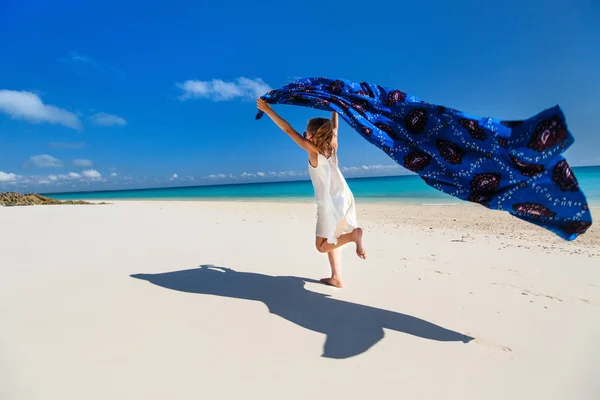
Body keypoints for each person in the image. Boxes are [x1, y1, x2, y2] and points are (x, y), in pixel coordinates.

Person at [256, 98, 366, 288]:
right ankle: (336, 277)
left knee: (321, 246)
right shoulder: (332, 148)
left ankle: (353, 236)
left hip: (329, 203)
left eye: (306, 132)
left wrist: (268, 110)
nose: (304, 133)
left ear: (312, 136)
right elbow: (336, 129)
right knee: (332, 237)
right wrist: (335, 108)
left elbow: (288, 130)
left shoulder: (313, 151)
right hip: (345, 197)